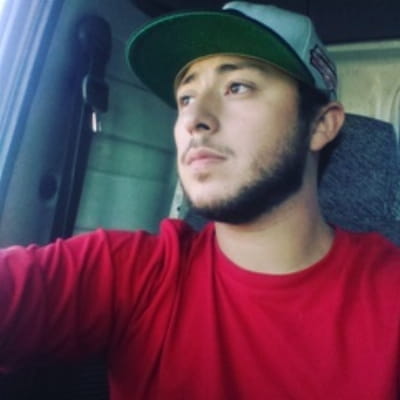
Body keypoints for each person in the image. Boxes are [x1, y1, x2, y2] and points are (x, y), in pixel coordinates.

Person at [1, 1, 399, 399]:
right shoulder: (135, 272)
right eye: (186, 98)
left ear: (321, 125)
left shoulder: (388, 292)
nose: (194, 120)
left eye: (237, 87)